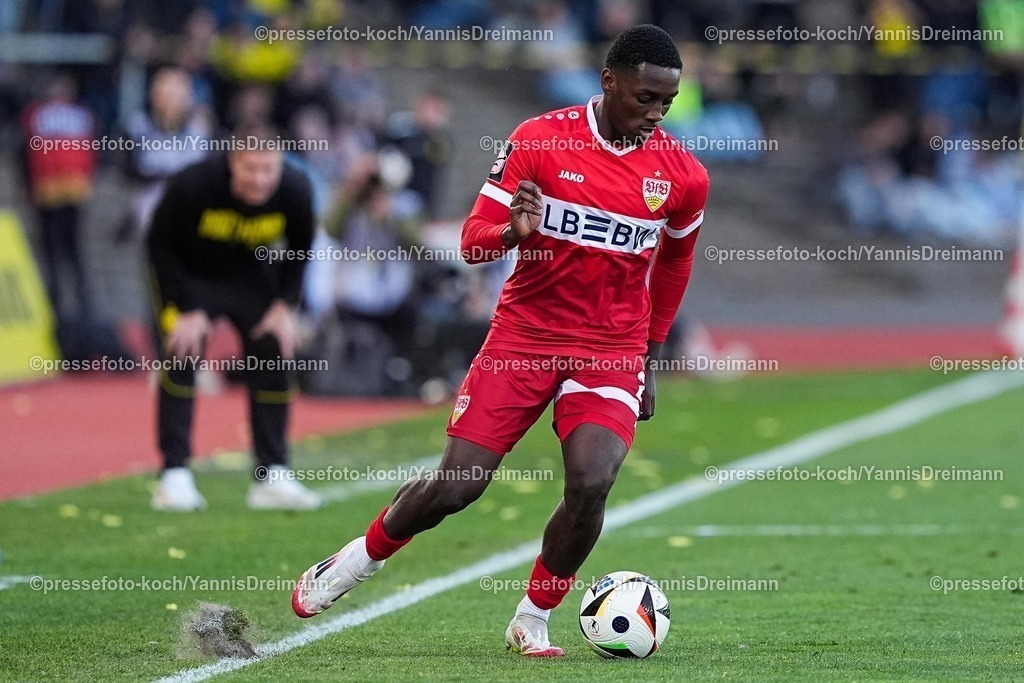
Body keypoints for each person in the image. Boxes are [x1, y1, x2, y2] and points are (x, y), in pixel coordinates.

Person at [291, 24, 709, 656]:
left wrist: (649, 354)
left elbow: (674, 266)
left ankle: (533, 615)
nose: (655, 114)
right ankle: (358, 558)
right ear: (609, 81)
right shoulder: (538, 140)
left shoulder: (683, 176)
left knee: (592, 481)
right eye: (644, 97)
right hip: (525, 335)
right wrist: (512, 235)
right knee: (458, 486)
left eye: (665, 102)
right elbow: (470, 241)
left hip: (611, 347)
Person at [147, 123, 322, 511]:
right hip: (191, 275)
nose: (260, 180)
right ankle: (173, 475)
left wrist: (284, 306)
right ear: (232, 163)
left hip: (250, 274)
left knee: (274, 347)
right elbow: (159, 245)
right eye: (250, 169)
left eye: (268, 170)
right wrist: (184, 308)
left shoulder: (295, 189)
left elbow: (301, 247)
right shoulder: (193, 185)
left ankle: (272, 475)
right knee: (182, 349)